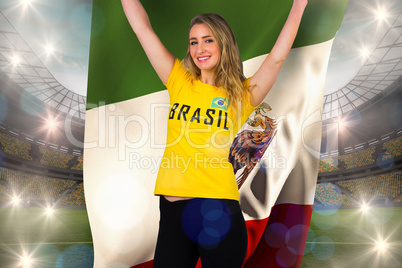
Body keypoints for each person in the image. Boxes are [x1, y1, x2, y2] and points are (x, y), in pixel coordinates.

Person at [121, 0, 307, 267]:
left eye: (207, 40)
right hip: (172, 212)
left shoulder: (241, 95)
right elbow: (142, 28)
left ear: (223, 44)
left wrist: (299, 5)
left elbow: (277, 57)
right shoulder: (179, 80)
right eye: (193, 41)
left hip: (217, 212)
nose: (199, 49)